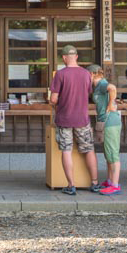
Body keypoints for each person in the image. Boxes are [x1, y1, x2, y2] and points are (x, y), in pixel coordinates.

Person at [49, 45, 98, 195]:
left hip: (64, 119)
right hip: (82, 118)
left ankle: (71, 185)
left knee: (66, 150)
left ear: (64, 58)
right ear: (76, 56)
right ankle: (95, 183)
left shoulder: (60, 74)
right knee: (88, 149)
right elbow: (88, 93)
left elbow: (53, 99)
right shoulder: (86, 74)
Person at [88, 65, 123, 195]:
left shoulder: (102, 83)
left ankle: (115, 185)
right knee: (108, 153)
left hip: (110, 121)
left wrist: (110, 104)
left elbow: (112, 88)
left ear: (92, 74)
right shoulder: (97, 86)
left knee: (112, 153)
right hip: (105, 121)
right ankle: (109, 181)